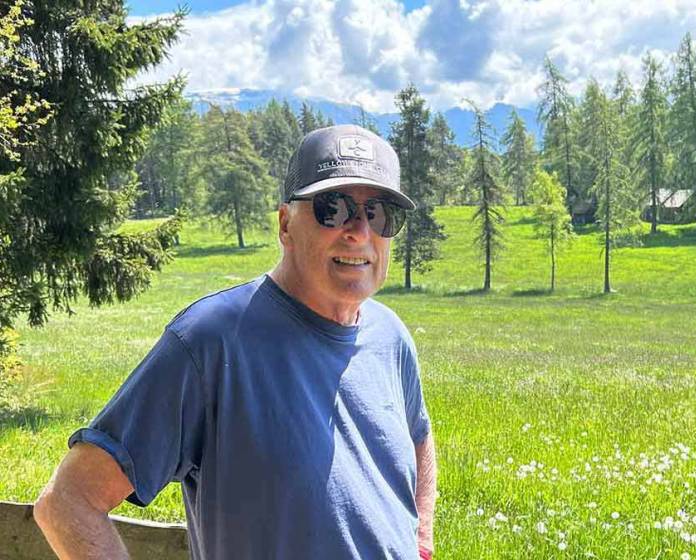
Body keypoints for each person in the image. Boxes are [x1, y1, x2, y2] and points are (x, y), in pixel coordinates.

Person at [34, 124, 437, 560]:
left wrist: (420, 539)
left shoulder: (390, 335)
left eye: (379, 213)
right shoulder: (211, 340)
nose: (359, 231)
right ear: (286, 224)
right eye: (332, 208)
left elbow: (418, 436)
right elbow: (68, 502)